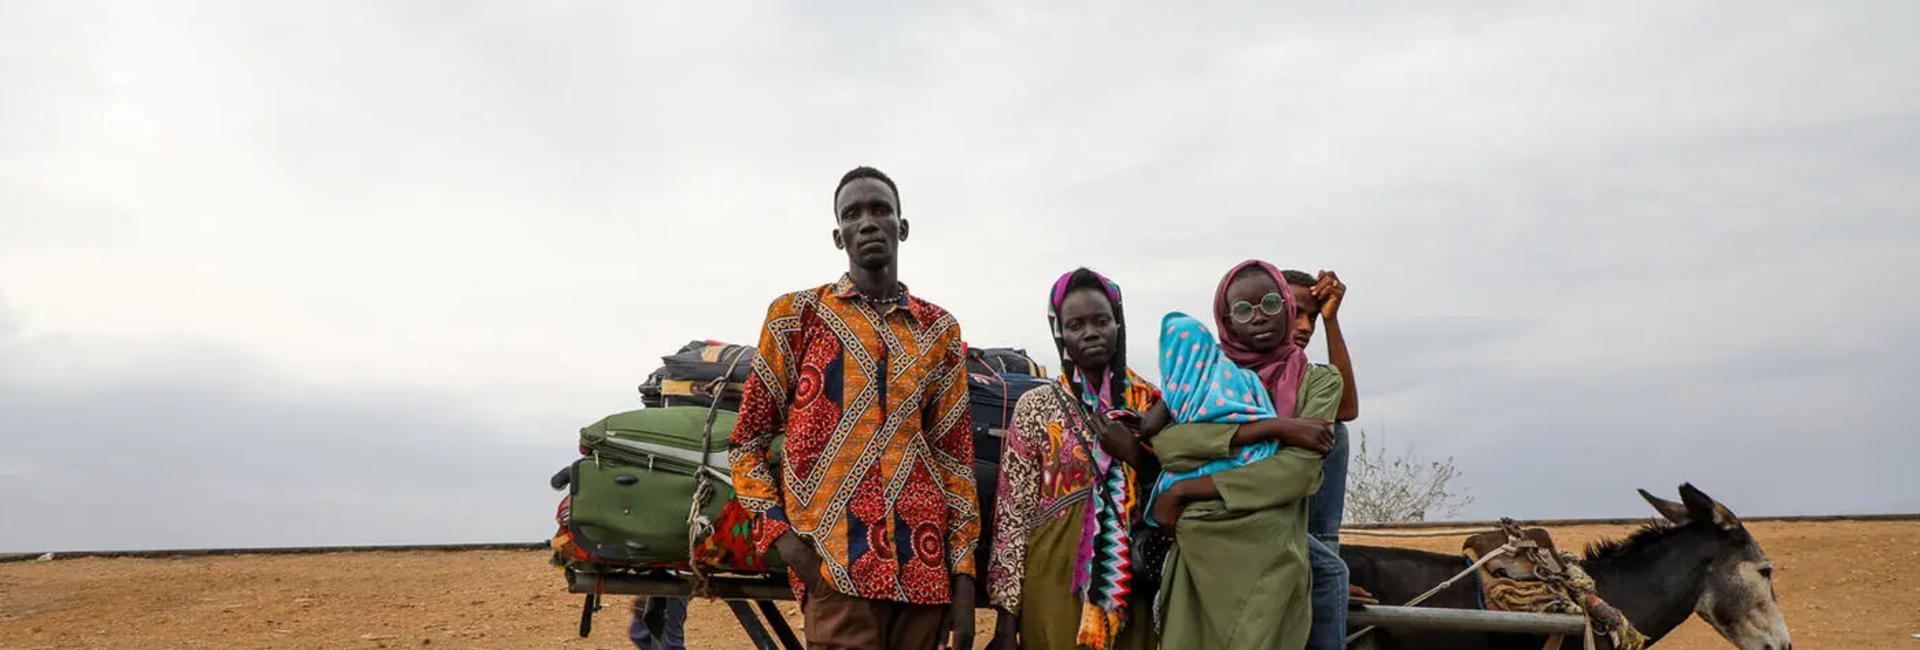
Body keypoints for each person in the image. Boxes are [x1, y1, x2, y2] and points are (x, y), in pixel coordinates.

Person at [729, 166, 979, 650]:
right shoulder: (796, 317)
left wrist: (963, 579)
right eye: (853, 214)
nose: (867, 222)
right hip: (835, 570)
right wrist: (788, 543)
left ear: (901, 227)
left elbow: (955, 461)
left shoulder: (939, 330)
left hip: (923, 574)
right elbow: (747, 443)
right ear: (837, 234)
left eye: (880, 210)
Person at [1146, 260, 1346, 650]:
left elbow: (1298, 472)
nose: (1258, 318)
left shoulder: (1319, 381)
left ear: (1286, 306)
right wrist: (1276, 428)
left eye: (1270, 303)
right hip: (1203, 539)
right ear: (1226, 319)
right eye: (1243, 310)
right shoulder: (1206, 375)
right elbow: (1171, 445)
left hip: (1272, 542)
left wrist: (1187, 489)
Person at [987, 268, 1164, 650]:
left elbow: (1174, 485)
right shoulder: (1036, 407)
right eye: (1075, 324)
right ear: (1060, 334)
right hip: (1051, 583)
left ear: (1118, 323)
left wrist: (1135, 454)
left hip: (1132, 582)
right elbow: (1013, 515)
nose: (1090, 332)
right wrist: (1006, 613)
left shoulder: (1150, 404)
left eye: (1101, 320)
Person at [1279, 269, 1373, 603]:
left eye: (1314, 318)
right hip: (1247, 517)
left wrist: (1332, 321)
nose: (1305, 327)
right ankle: (1322, 571)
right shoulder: (1229, 373)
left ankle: (1321, 562)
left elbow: (1345, 410)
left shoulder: (1307, 377)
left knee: (1336, 431)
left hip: (1294, 529)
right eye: (1295, 314)